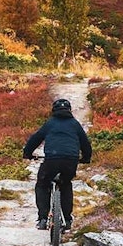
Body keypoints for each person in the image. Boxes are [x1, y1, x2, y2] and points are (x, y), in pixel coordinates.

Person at [23, 97, 92, 231]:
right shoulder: (74, 124)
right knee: (66, 184)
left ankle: (43, 218)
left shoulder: (50, 123)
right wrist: (86, 159)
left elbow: (35, 139)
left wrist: (28, 153)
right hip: (70, 160)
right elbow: (86, 144)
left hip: (52, 159)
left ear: (53, 110)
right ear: (69, 110)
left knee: (42, 184)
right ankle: (67, 219)